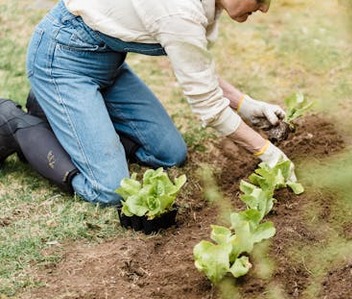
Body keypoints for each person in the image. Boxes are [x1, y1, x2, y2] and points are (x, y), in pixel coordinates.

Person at [0, 0, 296, 205]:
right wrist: (267, 153)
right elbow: (208, 107)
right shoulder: (179, 11)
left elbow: (194, 66)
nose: (265, 8)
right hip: (62, 59)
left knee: (170, 153)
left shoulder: (202, 8)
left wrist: (244, 104)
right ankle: (15, 123)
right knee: (111, 189)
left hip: (107, 65)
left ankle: (57, 107)